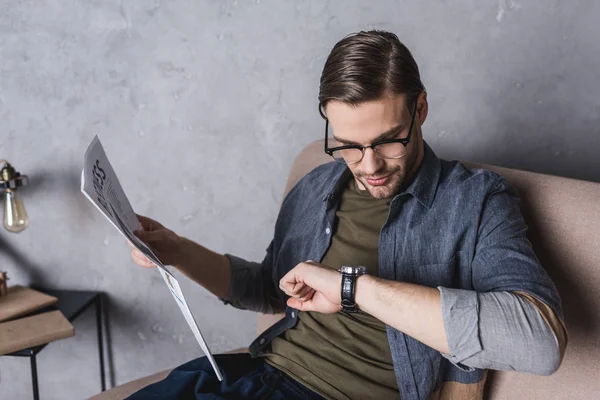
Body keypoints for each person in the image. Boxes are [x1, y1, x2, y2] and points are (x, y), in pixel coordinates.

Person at [127, 30, 567, 400]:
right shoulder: (317, 186)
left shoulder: (474, 201)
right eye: (348, 145)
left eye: (388, 140)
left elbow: (539, 342)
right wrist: (176, 250)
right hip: (258, 373)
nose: (368, 165)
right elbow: (266, 288)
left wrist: (353, 289)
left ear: (421, 110)